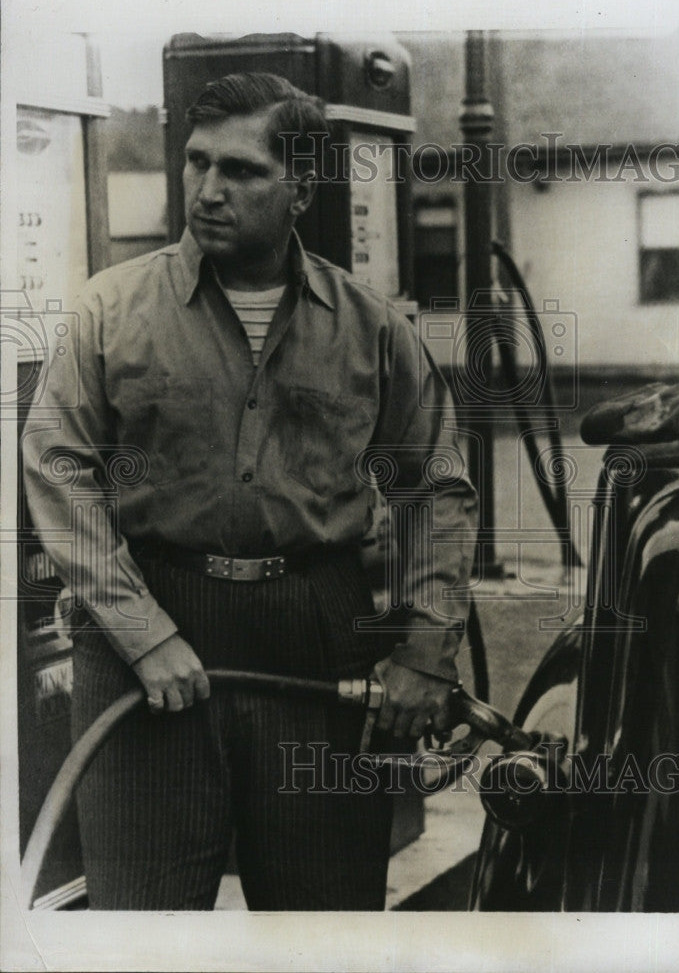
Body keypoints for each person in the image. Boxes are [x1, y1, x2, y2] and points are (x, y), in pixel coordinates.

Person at [22, 71, 478, 910]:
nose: (208, 191)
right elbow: (58, 465)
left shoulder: (370, 324)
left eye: (240, 171)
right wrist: (139, 631)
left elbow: (435, 485)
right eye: (197, 165)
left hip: (317, 632)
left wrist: (424, 650)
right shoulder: (111, 308)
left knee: (323, 921)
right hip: (146, 632)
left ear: (301, 186)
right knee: (141, 925)